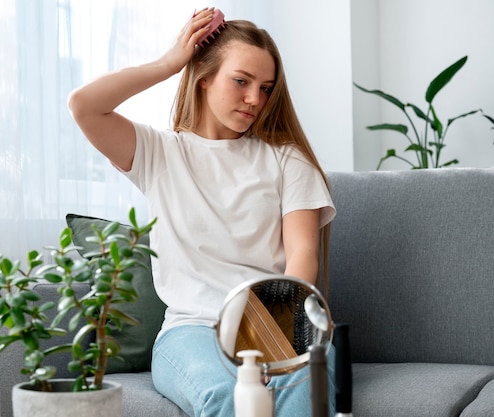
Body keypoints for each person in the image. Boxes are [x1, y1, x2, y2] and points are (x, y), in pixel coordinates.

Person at [68, 7, 336, 417]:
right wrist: (169, 62)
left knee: (301, 387)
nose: (254, 99)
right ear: (205, 78)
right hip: (191, 333)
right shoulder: (160, 153)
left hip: (278, 321)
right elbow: (84, 105)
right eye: (241, 81)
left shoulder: (286, 159)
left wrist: (274, 337)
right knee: (229, 395)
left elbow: (303, 254)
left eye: (265, 88)